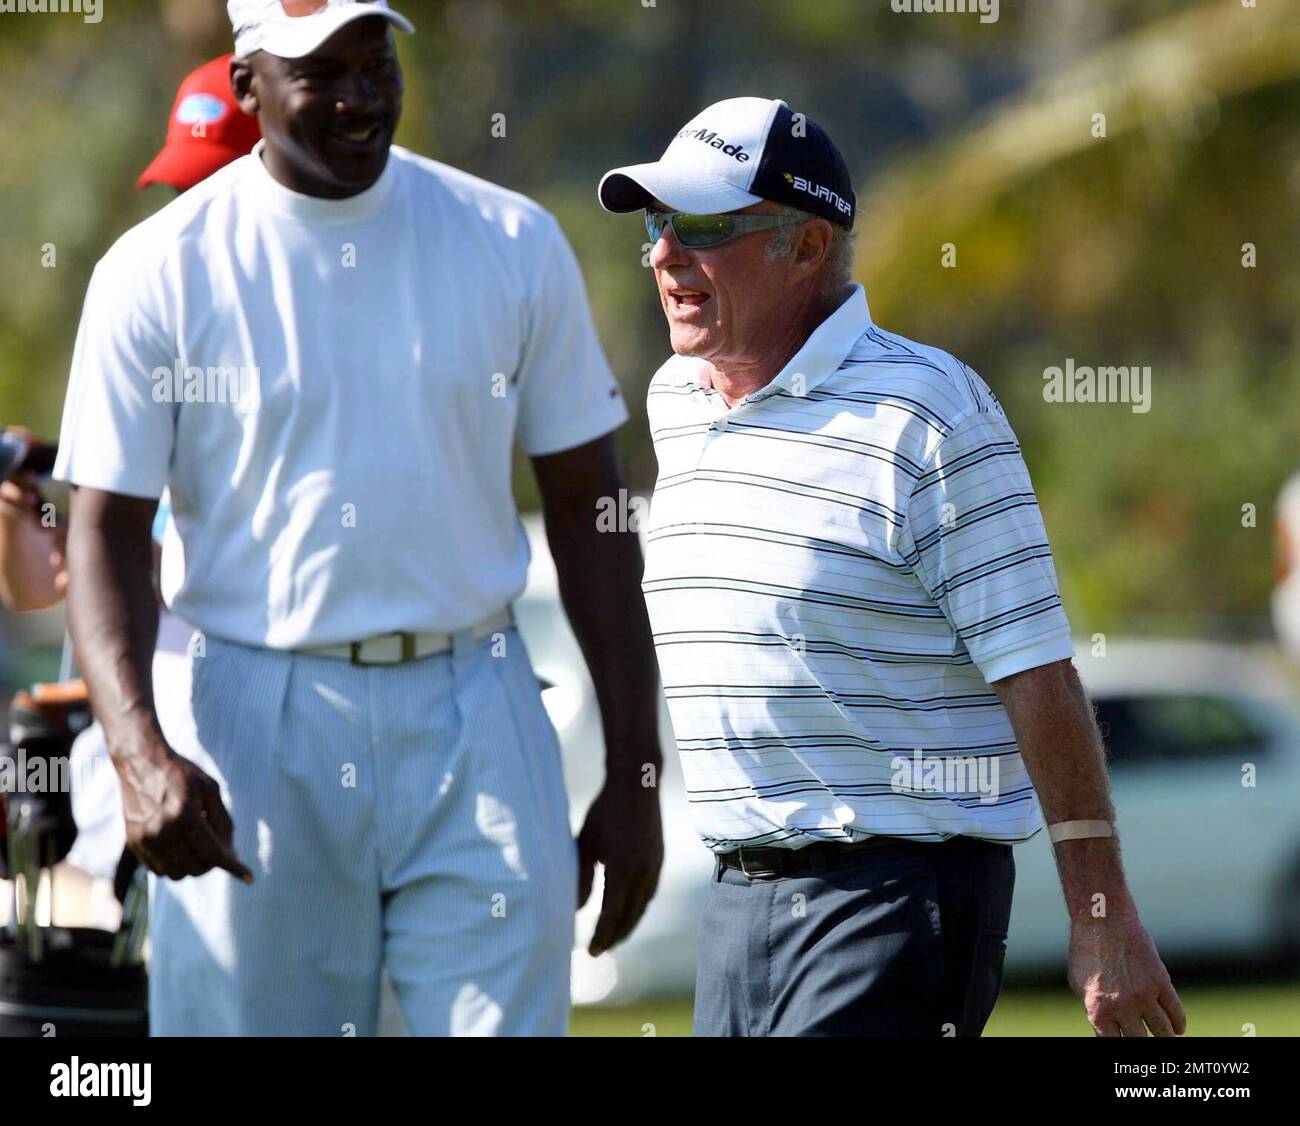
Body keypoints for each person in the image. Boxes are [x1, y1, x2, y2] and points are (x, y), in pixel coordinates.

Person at [55, 0, 662, 1037]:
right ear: (246, 86)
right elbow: (104, 529)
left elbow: (591, 515)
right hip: (254, 717)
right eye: (320, 71)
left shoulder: (511, 240)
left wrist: (633, 768)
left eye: (375, 61)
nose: (359, 96)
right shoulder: (155, 269)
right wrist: (138, 753)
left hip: (478, 705)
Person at [598, 96, 1185, 1037]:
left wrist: (1101, 916)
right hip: (740, 897)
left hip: (894, 895)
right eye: (658, 224)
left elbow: (1036, 675)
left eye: (703, 225)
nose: (665, 254)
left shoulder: (929, 411)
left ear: (807, 245)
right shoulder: (679, 400)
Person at [1, 54, 262, 889]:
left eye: (213, 185)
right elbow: (45, 588)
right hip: (151, 749)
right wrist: (25, 512)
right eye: (185, 189)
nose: (194, 213)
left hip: (247, 740)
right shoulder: (155, 330)